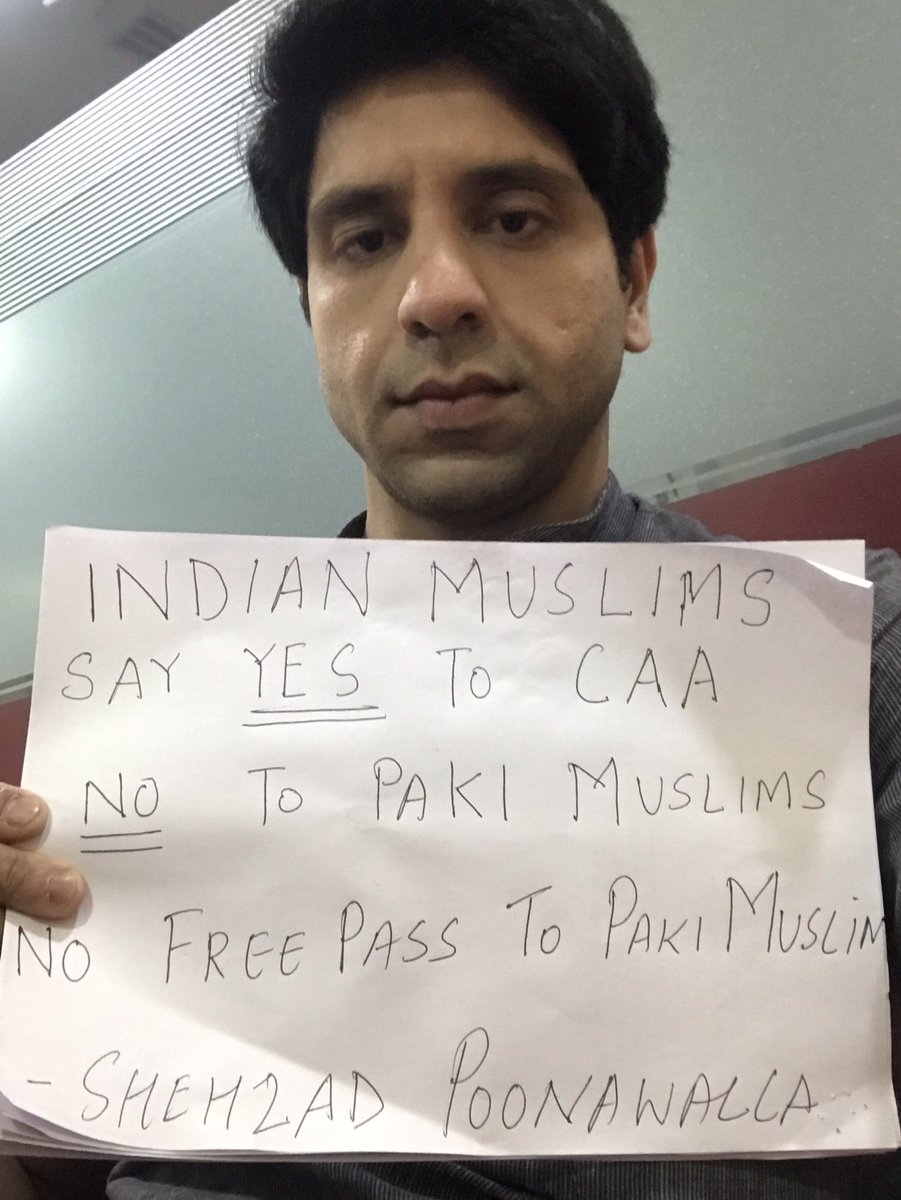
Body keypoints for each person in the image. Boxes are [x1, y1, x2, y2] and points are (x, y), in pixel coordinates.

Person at [2, 0, 901, 1195]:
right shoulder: (148, 723)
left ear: (633, 281)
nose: (434, 292)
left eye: (513, 217)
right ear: (312, 312)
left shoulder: (858, 662)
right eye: (364, 239)